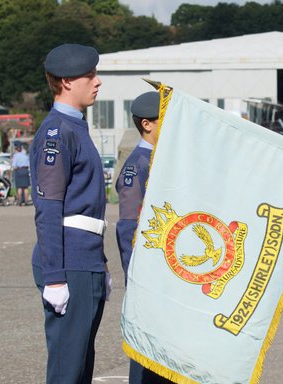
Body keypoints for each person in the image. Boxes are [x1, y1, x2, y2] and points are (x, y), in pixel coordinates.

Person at [30, 43, 111, 384]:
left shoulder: (76, 128)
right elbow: (48, 207)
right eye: (89, 74)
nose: (97, 81)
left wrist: (101, 264)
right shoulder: (56, 132)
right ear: (65, 81)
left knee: (80, 370)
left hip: (86, 257)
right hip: (68, 261)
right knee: (67, 371)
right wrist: (54, 276)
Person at [115, 91, 175, 384]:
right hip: (148, 281)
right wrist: (137, 282)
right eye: (166, 120)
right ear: (147, 124)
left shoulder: (164, 160)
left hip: (167, 279)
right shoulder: (138, 166)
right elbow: (128, 228)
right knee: (147, 364)